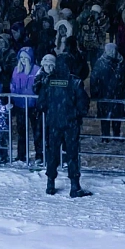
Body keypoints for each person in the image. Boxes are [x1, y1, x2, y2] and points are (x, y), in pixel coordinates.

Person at [35, 54, 92, 197]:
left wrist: (53, 111)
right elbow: (83, 104)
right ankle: (74, 186)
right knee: (72, 154)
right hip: (70, 123)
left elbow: (41, 104)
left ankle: (50, 184)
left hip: (53, 123)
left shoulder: (49, 80)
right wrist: (76, 114)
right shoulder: (75, 81)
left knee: (52, 153)